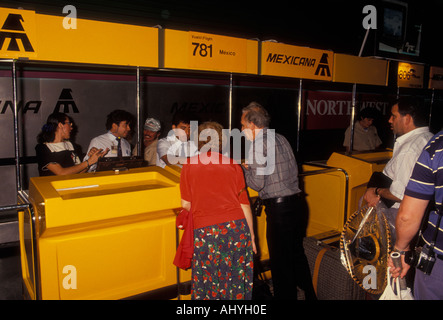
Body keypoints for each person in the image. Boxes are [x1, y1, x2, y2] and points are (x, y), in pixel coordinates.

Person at [240, 102, 316, 300]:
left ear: (251, 124)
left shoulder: (257, 144)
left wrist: (244, 170)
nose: (241, 130)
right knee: (297, 255)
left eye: (242, 126)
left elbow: (257, 183)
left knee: (280, 264)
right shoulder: (281, 138)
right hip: (297, 205)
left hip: (279, 210)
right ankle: (311, 295)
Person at [180, 121, 256, 300]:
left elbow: (185, 204)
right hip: (236, 229)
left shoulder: (189, 166)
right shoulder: (233, 165)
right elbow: (244, 204)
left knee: (208, 280)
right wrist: (252, 236)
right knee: (235, 280)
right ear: (222, 141)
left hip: (205, 231)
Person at [388, 130, 443, 300]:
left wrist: (400, 250)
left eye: (394, 116)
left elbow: (408, 215)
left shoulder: (437, 146)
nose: (389, 120)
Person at [364, 97, 433, 212]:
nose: (390, 120)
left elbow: (399, 194)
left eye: (394, 116)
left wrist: (376, 191)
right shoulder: (430, 138)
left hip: (398, 212)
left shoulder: (408, 150)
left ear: (407, 119)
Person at [35, 112, 106, 176]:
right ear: (60, 125)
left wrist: (91, 160)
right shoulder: (43, 148)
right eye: (69, 124)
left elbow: (79, 173)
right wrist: (88, 162)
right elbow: (61, 173)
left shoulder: (72, 146)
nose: (71, 128)